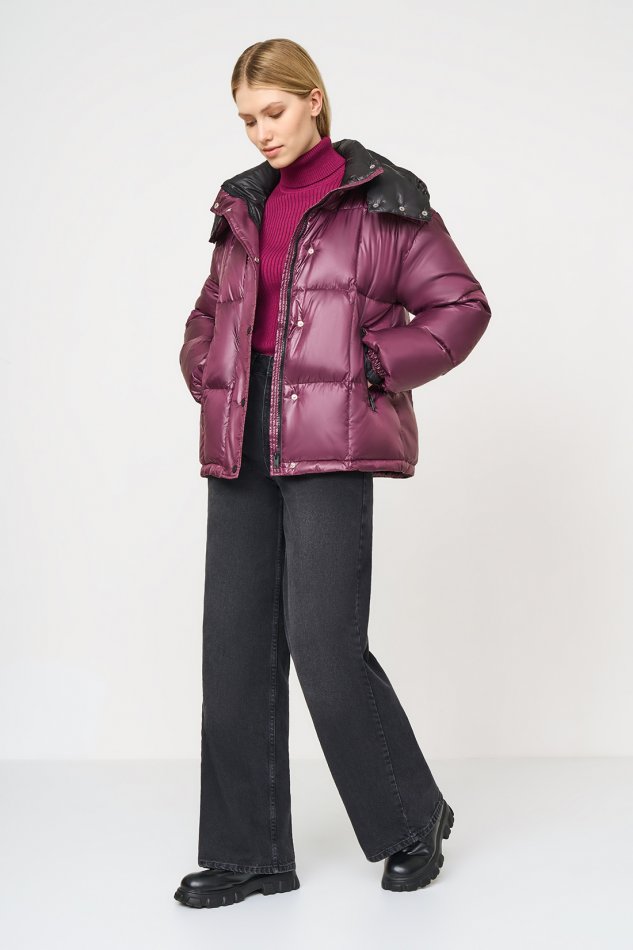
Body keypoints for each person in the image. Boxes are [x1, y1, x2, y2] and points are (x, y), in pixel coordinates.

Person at [174, 38, 491, 910]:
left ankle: (411, 818)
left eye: (272, 112)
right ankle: (247, 855)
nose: (260, 133)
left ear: (313, 99)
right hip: (242, 433)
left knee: (322, 641)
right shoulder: (242, 205)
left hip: (329, 434)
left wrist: (372, 364)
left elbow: (460, 306)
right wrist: (208, 367)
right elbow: (208, 314)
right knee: (234, 645)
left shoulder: (383, 200)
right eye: (246, 120)